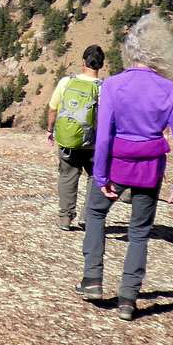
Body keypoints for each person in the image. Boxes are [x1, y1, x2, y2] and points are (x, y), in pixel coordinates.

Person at [76, 13, 173, 321]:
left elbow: (103, 137)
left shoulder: (113, 84)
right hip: (150, 168)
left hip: (117, 164)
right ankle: (128, 298)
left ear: (130, 50)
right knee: (139, 232)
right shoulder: (170, 90)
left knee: (96, 213)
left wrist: (100, 175)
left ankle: (92, 279)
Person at [47, 45, 105, 231]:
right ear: (101, 65)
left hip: (68, 139)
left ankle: (65, 218)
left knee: (67, 176)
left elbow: (53, 108)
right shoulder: (104, 88)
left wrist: (50, 129)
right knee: (95, 176)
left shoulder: (66, 82)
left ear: (83, 62)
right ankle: (87, 217)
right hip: (93, 143)